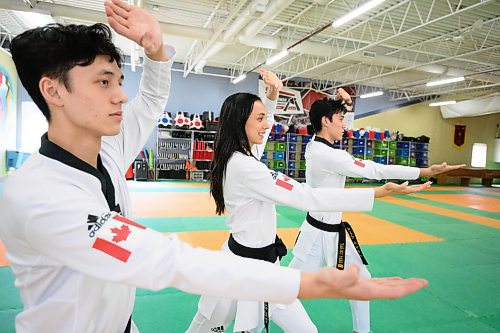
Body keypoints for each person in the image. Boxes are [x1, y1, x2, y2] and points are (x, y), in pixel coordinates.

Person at [0, 2, 429, 331]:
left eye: (118, 80)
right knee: (216, 315)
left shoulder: (106, 151)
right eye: (102, 82)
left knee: (210, 319)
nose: (120, 96)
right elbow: (162, 257)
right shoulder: (39, 196)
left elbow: (150, 101)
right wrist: (309, 284)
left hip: (126, 321)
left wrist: (155, 50)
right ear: (53, 91)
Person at [186, 71, 431, 333]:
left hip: (268, 267)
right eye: (260, 119)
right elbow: (306, 196)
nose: (267, 124)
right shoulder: (246, 167)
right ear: (240, 123)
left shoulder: (240, 154)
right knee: (209, 325)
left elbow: (261, 135)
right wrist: (377, 193)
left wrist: (273, 95)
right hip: (241, 268)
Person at [289, 89, 465, 333]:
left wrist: (342, 102)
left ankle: (363, 331)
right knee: (287, 289)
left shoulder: (316, 146)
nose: (345, 126)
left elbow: (328, 116)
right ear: (325, 121)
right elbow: (375, 170)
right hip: (316, 235)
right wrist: (424, 171)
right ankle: (253, 324)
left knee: (362, 279)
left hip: (335, 231)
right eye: (341, 120)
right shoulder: (328, 155)